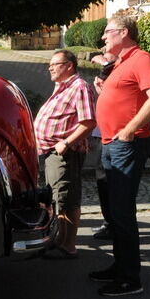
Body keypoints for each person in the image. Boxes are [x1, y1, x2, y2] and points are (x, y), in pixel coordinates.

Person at [92, 16, 150, 297]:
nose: (103, 38)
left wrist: (130, 129)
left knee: (122, 212)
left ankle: (130, 278)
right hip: (111, 144)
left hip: (126, 145)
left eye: (107, 32)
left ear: (124, 32)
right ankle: (119, 266)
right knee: (114, 212)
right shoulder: (121, 62)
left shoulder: (142, 58)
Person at [33, 49, 96, 259]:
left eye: (54, 64)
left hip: (65, 154)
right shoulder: (63, 87)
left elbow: (88, 122)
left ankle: (68, 246)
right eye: (49, 64)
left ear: (69, 66)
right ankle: (59, 240)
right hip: (52, 153)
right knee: (56, 198)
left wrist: (67, 142)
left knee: (66, 200)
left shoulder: (79, 87)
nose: (50, 67)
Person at [89, 49, 118, 241]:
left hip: (116, 134)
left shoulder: (120, 67)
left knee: (110, 181)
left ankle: (114, 225)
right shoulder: (110, 68)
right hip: (103, 132)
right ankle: (111, 223)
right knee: (103, 180)